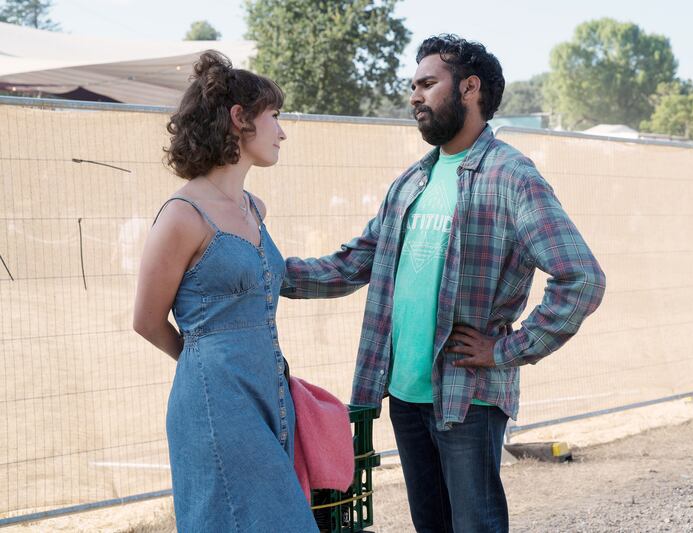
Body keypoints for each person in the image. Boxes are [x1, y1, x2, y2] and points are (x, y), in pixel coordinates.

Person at [281, 34, 606, 533]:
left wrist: (509, 349)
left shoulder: (511, 177)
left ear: (470, 88)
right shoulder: (412, 183)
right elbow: (351, 264)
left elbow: (580, 277)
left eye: (428, 84)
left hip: (467, 394)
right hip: (405, 396)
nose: (414, 97)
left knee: (474, 526)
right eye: (412, 86)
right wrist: (265, 271)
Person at [132, 51, 318, 532]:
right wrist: (209, 366)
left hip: (271, 391)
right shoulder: (182, 215)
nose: (282, 130)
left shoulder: (256, 207)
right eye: (273, 116)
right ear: (239, 120)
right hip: (216, 401)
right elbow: (147, 321)